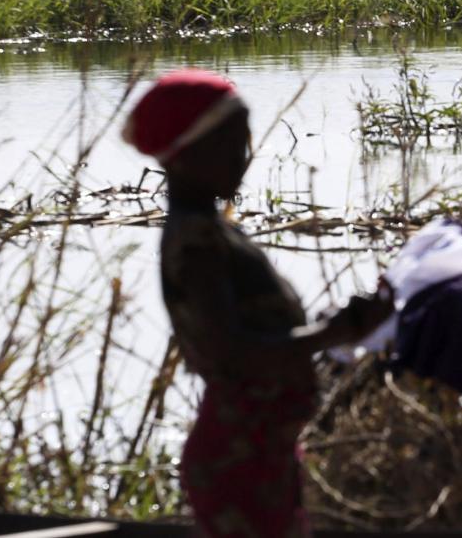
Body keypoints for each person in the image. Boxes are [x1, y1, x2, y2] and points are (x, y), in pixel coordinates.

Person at [126, 69, 394, 538]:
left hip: (258, 448)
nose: (243, 159)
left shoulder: (212, 231)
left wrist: (328, 326)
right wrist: (335, 333)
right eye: (230, 145)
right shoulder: (197, 242)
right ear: (187, 152)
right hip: (237, 454)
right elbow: (233, 350)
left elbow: (256, 332)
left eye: (243, 143)